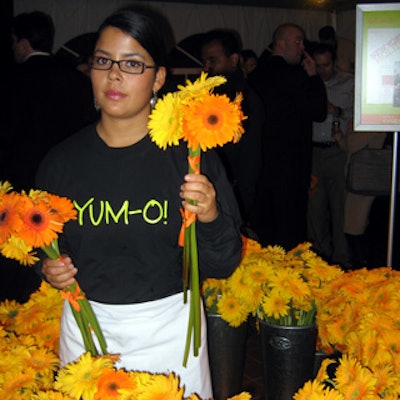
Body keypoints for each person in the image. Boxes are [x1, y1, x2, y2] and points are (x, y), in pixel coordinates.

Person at [35, 8, 243, 399]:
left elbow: (223, 262)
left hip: (170, 336)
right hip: (87, 333)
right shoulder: (61, 162)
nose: (114, 75)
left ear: (158, 78)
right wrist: (49, 268)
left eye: (132, 64)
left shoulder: (189, 157)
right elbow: (41, 245)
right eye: (103, 61)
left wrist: (211, 214)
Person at [248, 23, 327, 250]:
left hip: (262, 168)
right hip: (291, 169)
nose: (303, 47)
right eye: (298, 41)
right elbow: (319, 112)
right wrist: (313, 77)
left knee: (265, 233)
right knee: (290, 235)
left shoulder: (255, 75)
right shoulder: (295, 75)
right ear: (280, 43)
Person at [2, 10, 97, 191]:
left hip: (21, 178)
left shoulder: (12, 80)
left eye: (13, 41)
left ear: (23, 44)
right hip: (67, 176)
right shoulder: (76, 79)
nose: (12, 47)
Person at [201, 28, 264, 234]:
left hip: (232, 190)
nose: (207, 68)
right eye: (205, 62)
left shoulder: (241, 98)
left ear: (233, 59)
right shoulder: (212, 93)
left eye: (213, 60)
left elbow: (248, 155)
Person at [306, 43, 354, 268]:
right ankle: (319, 258)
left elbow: (360, 114)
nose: (322, 70)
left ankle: (342, 259)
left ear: (334, 62)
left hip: (337, 153)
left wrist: (339, 112)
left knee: (339, 208)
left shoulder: (349, 83)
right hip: (314, 153)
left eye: (326, 65)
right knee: (315, 208)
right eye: (318, 65)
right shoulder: (308, 81)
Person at [342, 121, 387, 268]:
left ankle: (362, 269)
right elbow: (350, 147)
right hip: (360, 180)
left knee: (355, 227)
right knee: (352, 226)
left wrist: (349, 129)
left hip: (368, 180)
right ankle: (361, 268)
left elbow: (353, 144)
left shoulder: (373, 119)